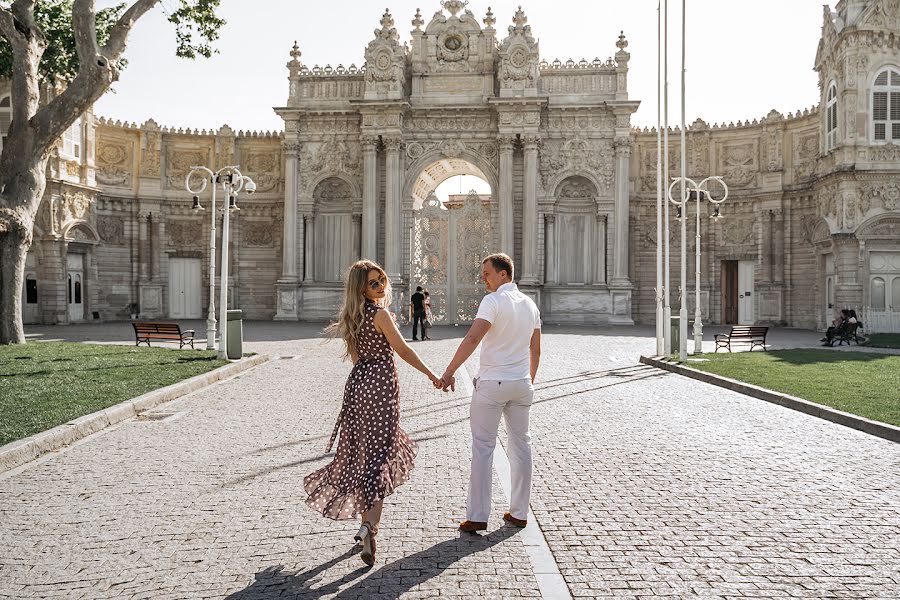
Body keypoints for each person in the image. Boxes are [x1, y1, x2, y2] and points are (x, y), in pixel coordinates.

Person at [305, 260, 441, 567]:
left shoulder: (352, 316)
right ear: (362, 289)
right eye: (373, 284)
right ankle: (369, 527)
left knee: (363, 455)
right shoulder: (381, 315)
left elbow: (355, 357)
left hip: (357, 387)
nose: (381, 287)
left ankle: (366, 526)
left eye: (382, 281)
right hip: (380, 387)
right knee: (380, 457)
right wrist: (432, 374)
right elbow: (404, 350)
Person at [437, 253, 541, 533]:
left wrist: (448, 372)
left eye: (487, 273)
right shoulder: (531, 305)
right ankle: (519, 512)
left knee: (483, 448)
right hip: (521, 384)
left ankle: (478, 516)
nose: (483, 278)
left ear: (503, 274)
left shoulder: (493, 301)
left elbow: (473, 338)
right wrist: (527, 381)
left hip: (493, 384)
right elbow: (535, 349)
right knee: (522, 447)